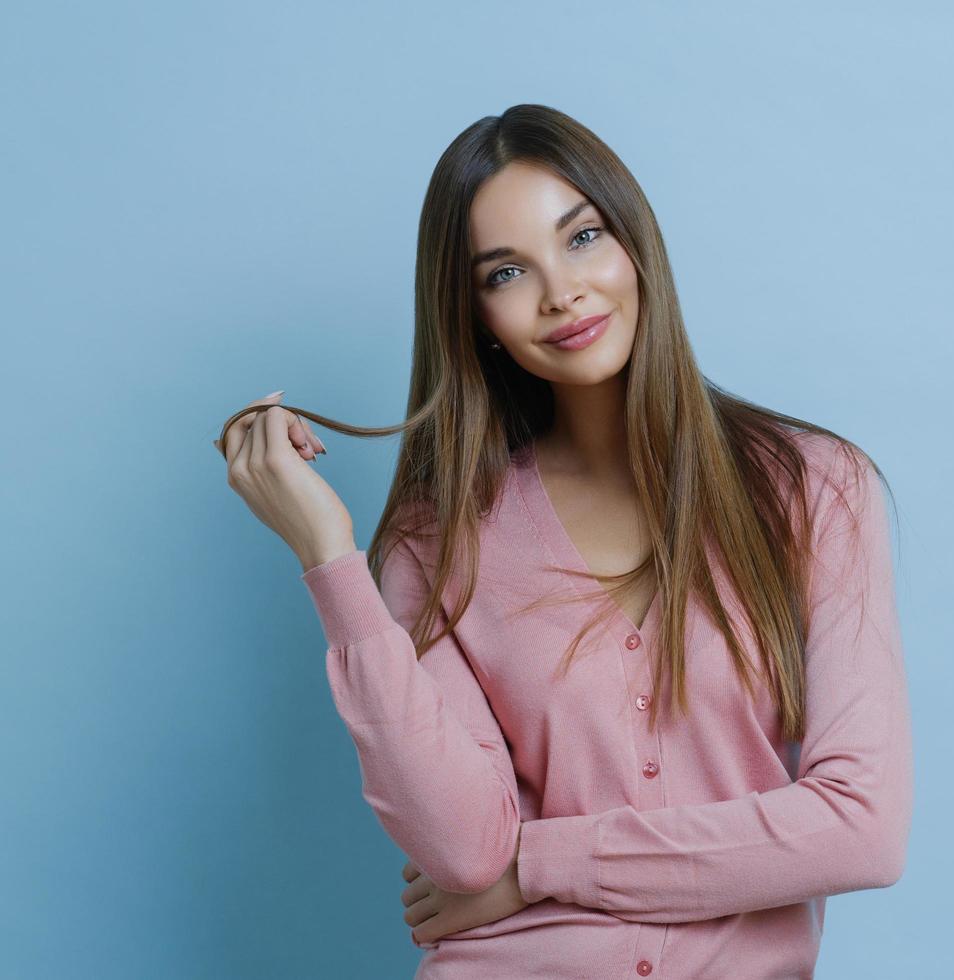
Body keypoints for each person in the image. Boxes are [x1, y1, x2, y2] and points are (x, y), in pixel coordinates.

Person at [216, 104, 912, 979]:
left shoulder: (814, 488)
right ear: (474, 317)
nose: (561, 292)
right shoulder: (439, 539)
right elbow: (467, 854)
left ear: (634, 241)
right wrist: (330, 560)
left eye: (582, 237)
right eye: (507, 271)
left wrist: (540, 865)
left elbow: (862, 829)